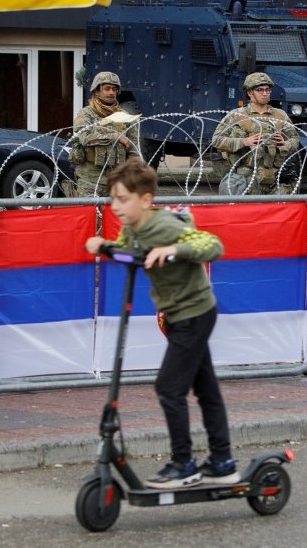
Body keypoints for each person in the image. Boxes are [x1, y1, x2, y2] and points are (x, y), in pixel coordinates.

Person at [84, 157, 235, 490]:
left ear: (146, 200)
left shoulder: (163, 226)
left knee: (169, 388)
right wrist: (105, 246)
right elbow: (128, 249)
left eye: (123, 200)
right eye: (112, 199)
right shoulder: (132, 228)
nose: (116, 207)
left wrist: (173, 250)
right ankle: (222, 461)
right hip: (177, 315)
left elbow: (211, 244)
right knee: (206, 387)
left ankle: (184, 464)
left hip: (194, 314)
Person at [211, 72, 300, 195]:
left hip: (275, 178)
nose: (265, 93)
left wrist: (286, 143)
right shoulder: (237, 115)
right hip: (246, 178)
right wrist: (243, 142)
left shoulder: (280, 115)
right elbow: (216, 140)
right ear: (249, 93)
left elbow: (295, 139)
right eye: (260, 90)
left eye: (267, 90)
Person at [69, 71, 140, 197]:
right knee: (89, 215)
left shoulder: (126, 117)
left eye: (114, 89)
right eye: (107, 89)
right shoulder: (86, 114)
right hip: (90, 181)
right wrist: (116, 136)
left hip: (117, 181)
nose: (111, 92)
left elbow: (133, 150)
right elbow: (84, 136)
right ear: (96, 91)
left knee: (115, 216)